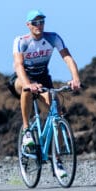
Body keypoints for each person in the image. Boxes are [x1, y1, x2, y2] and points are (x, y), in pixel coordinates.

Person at [11, 9, 81, 178]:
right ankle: (27, 130)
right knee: (27, 89)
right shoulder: (21, 41)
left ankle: (57, 160)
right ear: (28, 25)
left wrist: (75, 79)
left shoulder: (52, 38)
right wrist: (28, 84)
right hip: (22, 78)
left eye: (42, 21)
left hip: (43, 79)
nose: (39, 25)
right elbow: (18, 65)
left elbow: (67, 57)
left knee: (57, 114)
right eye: (35, 23)